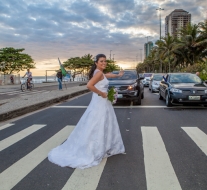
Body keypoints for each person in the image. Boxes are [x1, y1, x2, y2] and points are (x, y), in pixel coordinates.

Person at [48, 54, 125, 169]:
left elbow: (107, 75)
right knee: (97, 125)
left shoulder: (99, 73)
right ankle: (94, 149)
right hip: (100, 102)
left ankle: (102, 146)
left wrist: (117, 75)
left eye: (105, 61)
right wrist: (102, 93)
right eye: (101, 61)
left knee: (98, 124)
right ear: (96, 63)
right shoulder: (98, 73)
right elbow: (89, 85)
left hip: (102, 103)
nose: (104, 63)